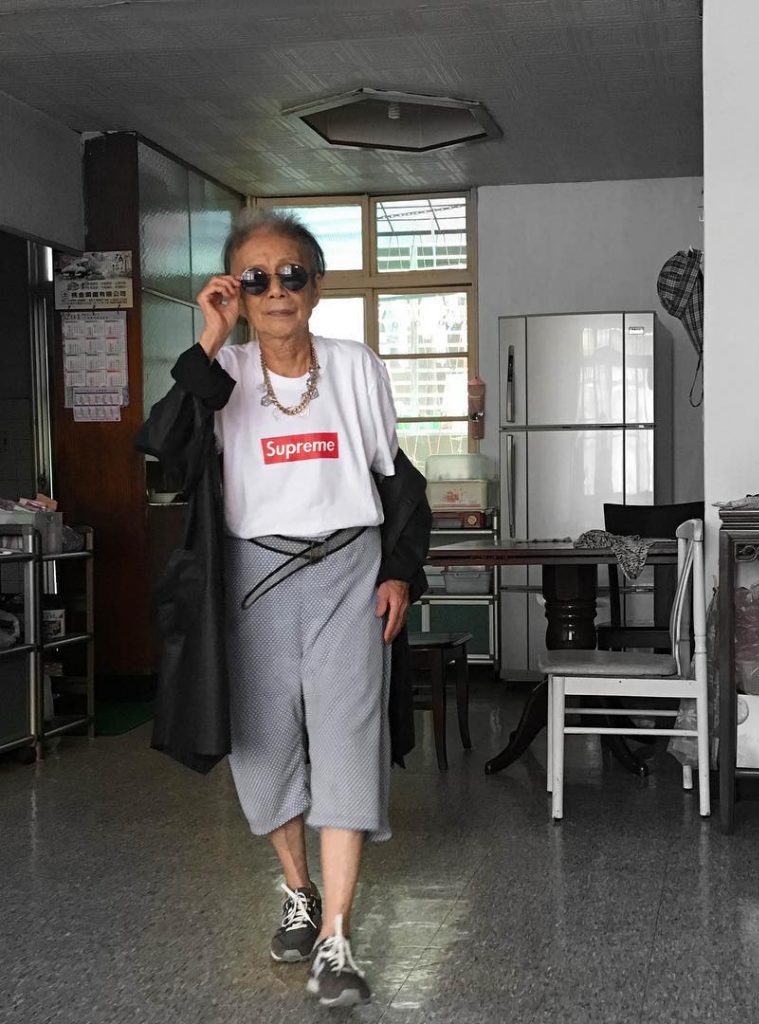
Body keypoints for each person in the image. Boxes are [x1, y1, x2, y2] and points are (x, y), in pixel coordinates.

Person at [137, 208, 432, 1009]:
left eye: (291, 274)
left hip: (348, 572)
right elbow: (164, 450)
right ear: (235, 291)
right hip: (254, 578)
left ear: (316, 286)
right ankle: (298, 890)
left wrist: (400, 570)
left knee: (347, 742)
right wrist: (209, 337)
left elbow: (396, 478)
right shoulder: (221, 373)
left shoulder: (354, 366)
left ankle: (336, 938)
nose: (276, 291)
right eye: (256, 278)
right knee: (262, 748)